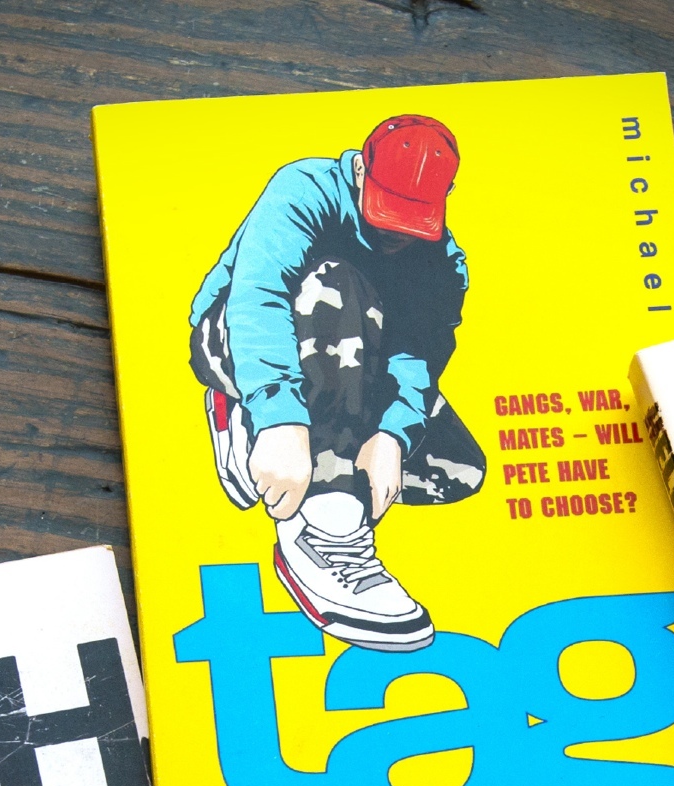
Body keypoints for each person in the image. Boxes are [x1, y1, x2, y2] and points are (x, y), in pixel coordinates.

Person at [190, 114, 485, 652]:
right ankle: (325, 524)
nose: (395, 234)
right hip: (236, 340)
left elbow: (418, 354)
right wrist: (280, 419)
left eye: (411, 221)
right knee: (337, 285)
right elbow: (256, 298)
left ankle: (267, 439)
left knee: (459, 469)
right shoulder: (304, 189)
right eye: (386, 211)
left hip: (349, 366)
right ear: (360, 172)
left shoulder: (443, 262)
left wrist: (392, 436)